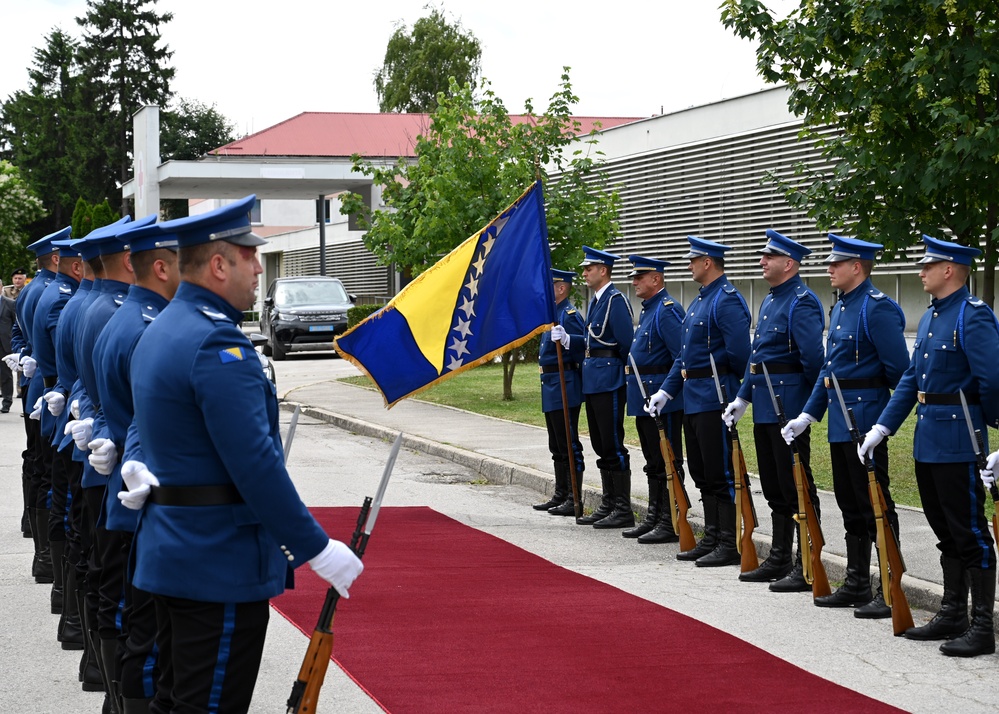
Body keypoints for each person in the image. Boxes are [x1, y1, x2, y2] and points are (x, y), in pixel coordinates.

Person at [122, 195, 363, 712]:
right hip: (216, 563)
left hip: (173, 553)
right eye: (250, 256)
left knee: (175, 699)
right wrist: (317, 549)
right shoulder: (215, 344)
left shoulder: (164, 327)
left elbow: (146, 421)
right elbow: (254, 463)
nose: (258, 268)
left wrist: (135, 460)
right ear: (218, 264)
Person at [861, 234, 998, 657]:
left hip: (960, 441)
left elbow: (993, 380)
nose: (920, 272)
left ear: (950, 270)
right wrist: (883, 427)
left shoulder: (971, 316)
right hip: (929, 441)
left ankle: (981, 626)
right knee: (946, 532)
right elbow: (910, 380)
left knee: (970, 533)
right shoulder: (935, 315)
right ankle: (953, 613)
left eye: (927, 265)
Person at [783, 234, 909, 608]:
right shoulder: (840, 307)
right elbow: (830, 371)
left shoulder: (877, 308)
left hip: (866, 418)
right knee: (850, 502)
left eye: (836, 264)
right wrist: (808, 414)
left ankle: (889, 586)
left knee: (876, 503)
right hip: (840, 418)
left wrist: (882, 423)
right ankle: (856, 582)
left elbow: (899, 372)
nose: (829, 269)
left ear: (857, 267)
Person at [87, 218, 181, 712]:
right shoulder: (142, 325)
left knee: (128, 618)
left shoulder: (118, 315)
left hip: (122, 486)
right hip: (141, 499)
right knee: (143, 635)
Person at [723, 230, 824, 585]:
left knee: (796, 485)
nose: (762, 262)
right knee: (774, 485)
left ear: (789, 264)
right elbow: (758, 359)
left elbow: (813, 360)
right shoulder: (769, 301)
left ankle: (806, 562)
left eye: (769, 257)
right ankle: (780, 556)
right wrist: (743, 397)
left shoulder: (802, 301)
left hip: (788, 407)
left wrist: (808, 409)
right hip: (766, 404)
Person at [647, 236, 751, 567]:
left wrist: (738, 394)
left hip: (716, 395)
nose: (689, 264)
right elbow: (685, 358)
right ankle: (712, 533)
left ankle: (729, 540)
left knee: (720, 470)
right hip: (694, 397)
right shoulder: (698, 301)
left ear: (708, 263)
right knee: (701, 470)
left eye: (693, 260)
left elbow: (740, 355)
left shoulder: (727, 300)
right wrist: (667, 390)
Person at [622, 255, 686, 543]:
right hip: (643, 398)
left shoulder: (667, 310)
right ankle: (654, 515)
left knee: (666, 460)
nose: (634, 281)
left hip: (662, 399)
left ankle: (671, 518)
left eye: (640, 277)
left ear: (656, 279)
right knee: (651, 460)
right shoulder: (649, 309)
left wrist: (665, 393)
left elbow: (680, 357)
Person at [573, 246, 635, 529]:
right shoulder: (597, 300)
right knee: (599, 443)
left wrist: (621, 376)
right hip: (593, 380)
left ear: (604, 270)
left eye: (589, 268)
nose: (584, 273)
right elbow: (591, 343)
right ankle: (609, 502)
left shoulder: (615, 300)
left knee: (612, 443)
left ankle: (622, 508)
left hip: (608, 380)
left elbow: (625, 343)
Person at [536, 268, 586, 516]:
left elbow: (583, 346)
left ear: (561, 288)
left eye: (550, 285)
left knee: (568, 443)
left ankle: (573, 496)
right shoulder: (552, 314)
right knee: (556, 444)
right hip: (551, 383)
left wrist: (568, 340)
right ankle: (561, 493)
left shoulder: (569, 314)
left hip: (565, 382)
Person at [0, 286, 14, 413]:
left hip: (4, 344)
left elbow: (16, 325)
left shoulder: (9, 303)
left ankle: (7, 401)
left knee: (5, 375)